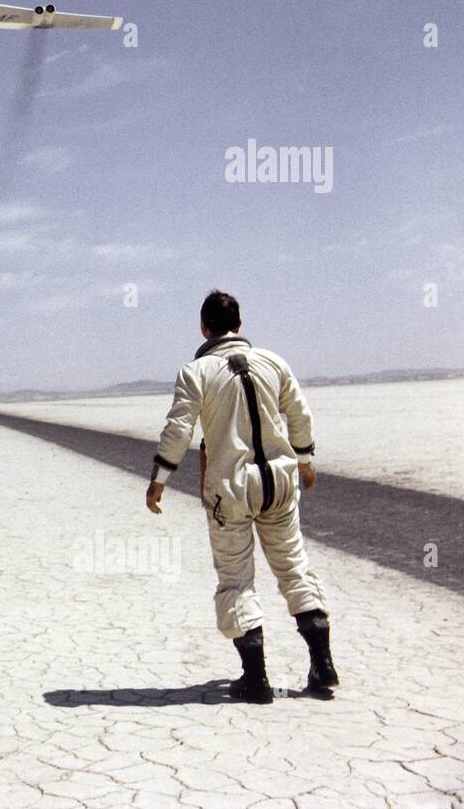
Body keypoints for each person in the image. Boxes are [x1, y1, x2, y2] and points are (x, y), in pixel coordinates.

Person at [145, 290, 338, 704]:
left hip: (230, 489)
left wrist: (160, 478)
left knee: (236, 579)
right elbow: (299, 414)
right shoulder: (274, 362)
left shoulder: (196, 372)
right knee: (293, 568)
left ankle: (256, 681)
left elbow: (179, 429)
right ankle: (322, 666)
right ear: (240, 324)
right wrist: (304, 460)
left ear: (203, 326)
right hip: (280, 483)